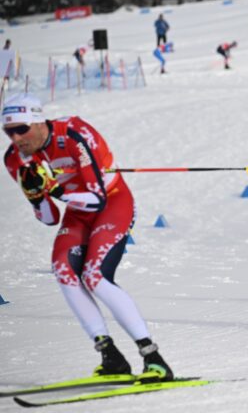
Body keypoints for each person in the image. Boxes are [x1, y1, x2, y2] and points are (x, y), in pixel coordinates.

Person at [2, 94, 174, 381]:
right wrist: (35, 197)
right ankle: (111, 356)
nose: (16, 137)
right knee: (63, 269)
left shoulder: (73, 135)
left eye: (21, 128)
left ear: (38, 121)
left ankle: (153, 357)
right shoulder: (14, 159)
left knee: (94, 275)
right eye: (8, 131)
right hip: (77, 211)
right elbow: (49, 219)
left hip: (112, 201)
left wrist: (56, 191)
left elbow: (97, 199)